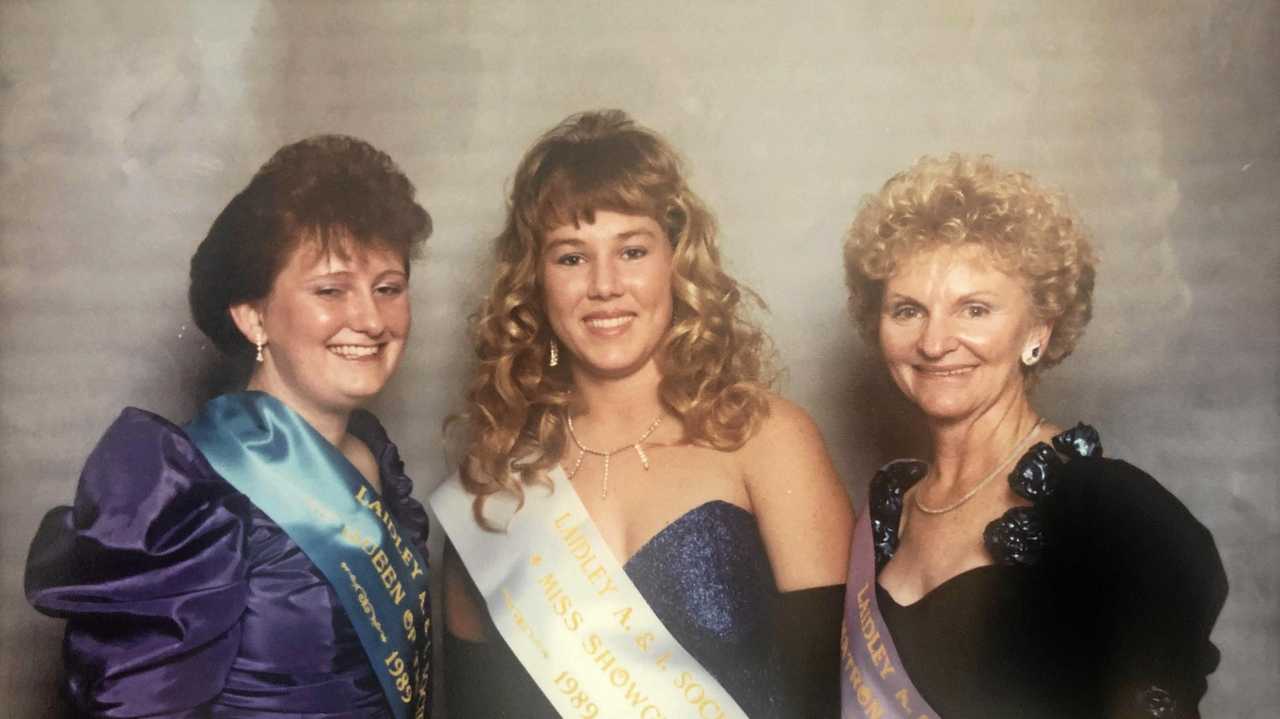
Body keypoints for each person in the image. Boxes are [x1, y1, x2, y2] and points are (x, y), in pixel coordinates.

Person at [431, 110, 853, 718]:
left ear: (676, 262)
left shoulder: (768, 440)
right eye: (571, 257)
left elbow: (830, 698)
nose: (605, 285)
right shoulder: (492, 479)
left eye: (632, 250)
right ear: (534, 279)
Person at [25, 135, 433, 718]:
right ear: (252, 314)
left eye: (388, 289)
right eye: (330, 290)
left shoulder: (375, 459)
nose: (369, 319)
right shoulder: (190, 498)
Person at [839, 154, 1228, 718]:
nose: (935, 342)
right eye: (908, 310)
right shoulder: (887, 506)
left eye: (974, 309)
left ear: (1038, 331)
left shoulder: (1115, 510)